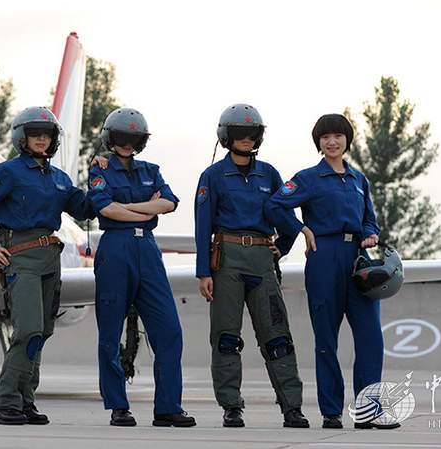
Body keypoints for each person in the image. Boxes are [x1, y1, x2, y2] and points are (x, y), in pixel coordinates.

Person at [265, 113, 395, 430]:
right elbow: (275, 205)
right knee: (326, 338)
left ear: (347, 140)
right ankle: (331, 412)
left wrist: (370, 233)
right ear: (319, 143)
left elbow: (370, 219)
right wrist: (301, 229)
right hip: (324, 257)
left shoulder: (358, 180)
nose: (332, 141)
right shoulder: (308, 178)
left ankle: (369, 410)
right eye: (325, 137)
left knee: (370, 337)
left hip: (359, 262)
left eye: (338, 135)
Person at [0, 107, 91, 426]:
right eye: (35, 134)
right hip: (21, 258)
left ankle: (26, 400)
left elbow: (86, 208)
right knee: (28, 330)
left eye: (46, 134)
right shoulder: (8, 172)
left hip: (51, 259)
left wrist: (101, 174)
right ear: (22, 137)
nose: (41, 139)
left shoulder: (61, 180)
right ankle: (5, 402)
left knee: (43, 332)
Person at [194, 104, 309, 428]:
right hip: (227, 261)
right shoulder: (213, 176)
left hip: (261, 262)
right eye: (239, 133)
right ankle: (232, 407)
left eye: (251, 134)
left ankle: (292, 408)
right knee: (227, 337)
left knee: (277, 338)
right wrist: (204, 272)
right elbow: (202, 226)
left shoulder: (269, 174)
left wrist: (282, 249)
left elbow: (285, 216)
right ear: (226, 136)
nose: (245, 139)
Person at [87, 107, 196, 428]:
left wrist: (129, 208)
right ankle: (118, 405)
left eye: (133, 139)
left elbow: (170, 202)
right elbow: (105, 208)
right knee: (110, 332)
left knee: (169, 330)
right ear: (110, 138)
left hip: (148, 250)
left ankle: (167, 407)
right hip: (114, 248)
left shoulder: (152, 169)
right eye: (120, 138)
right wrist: (147, 210)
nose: (126, 144)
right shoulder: (100, 170)